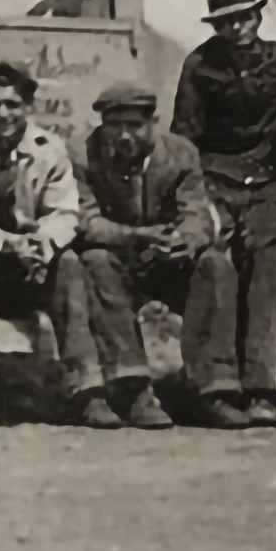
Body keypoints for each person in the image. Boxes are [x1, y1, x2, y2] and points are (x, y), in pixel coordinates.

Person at [0, 63, 108, 432]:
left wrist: (40, 244)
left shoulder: (49, 149)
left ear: (27, 107)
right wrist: (9, 244)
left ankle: (88, 389)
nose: (2, 114)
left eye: (12, 105)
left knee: (71, 264)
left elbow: (65, 213)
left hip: (34, 263)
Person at [170, 0, 276, 429]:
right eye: (226, 22)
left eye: (244, 18)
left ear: (258, 17)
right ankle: (217, 383)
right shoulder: (200, 64)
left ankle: (264, 387)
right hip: (217, 176)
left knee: (270, 260)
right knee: (216, 260)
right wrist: (192, 188)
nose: (237, 28)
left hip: (273, 178)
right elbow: (184, 133)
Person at [76, 81, 220, 431]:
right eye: (115, 125)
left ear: (152, 123)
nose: (124, 136)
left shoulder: (181, 153)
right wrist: (137, 236)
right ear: (102, 125)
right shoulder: (82, 154)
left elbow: (197, 211)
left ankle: (213, 388)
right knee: (95, 260)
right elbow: (87, 222)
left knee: (216, 264)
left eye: (134, 126)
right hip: (120, 260)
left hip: (169, 259)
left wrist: (185, 240)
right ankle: (132, 388)